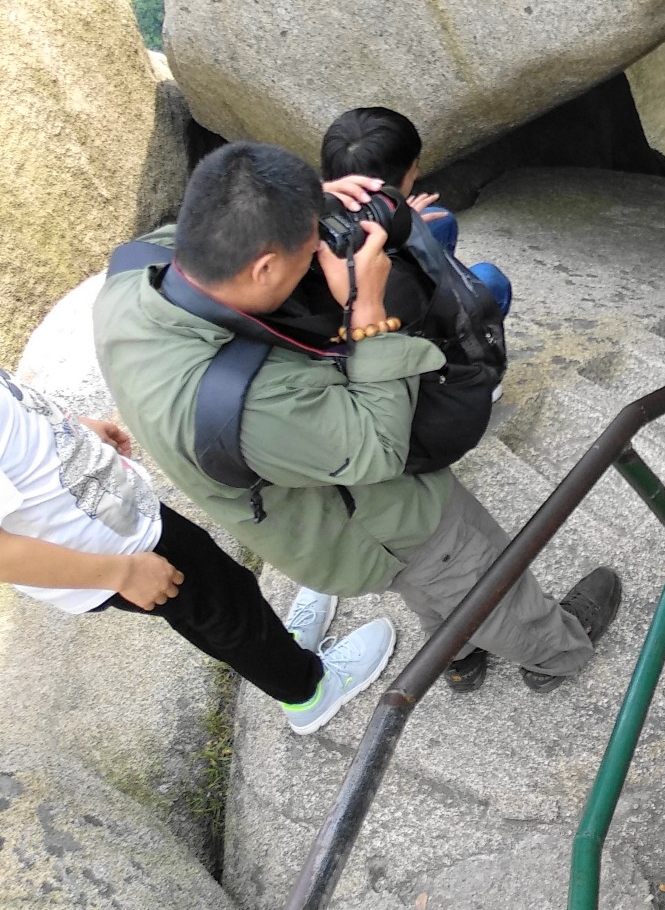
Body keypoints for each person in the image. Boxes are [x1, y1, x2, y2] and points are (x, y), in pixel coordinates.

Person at [94, 142, 621, 698]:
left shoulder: (133, 277)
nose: (321, 254)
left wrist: (305, 204)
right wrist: (367, 315)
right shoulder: (247, 407)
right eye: (310, 251)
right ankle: (556, 653)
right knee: (468, 566)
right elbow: (378, 450)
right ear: (265, 265)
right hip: (373, 521)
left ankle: (457, 655)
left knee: (430, 580)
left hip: (328, 525)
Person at [0, 367, 394, 734]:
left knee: (223, 596)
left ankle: (282, 652)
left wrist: (75, 431)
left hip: (118, 519)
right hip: (117, 553)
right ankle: (308, 691)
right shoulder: (122, 563)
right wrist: (121, 573)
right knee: (224, 613)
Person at [320, 105, 511, 317]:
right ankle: (461, 335)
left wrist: (400, 220)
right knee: (491, 279)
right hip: (374, 310)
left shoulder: (318, 208)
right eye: (416, 166)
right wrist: (408, 237)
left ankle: (441, 278)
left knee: (441, 219)